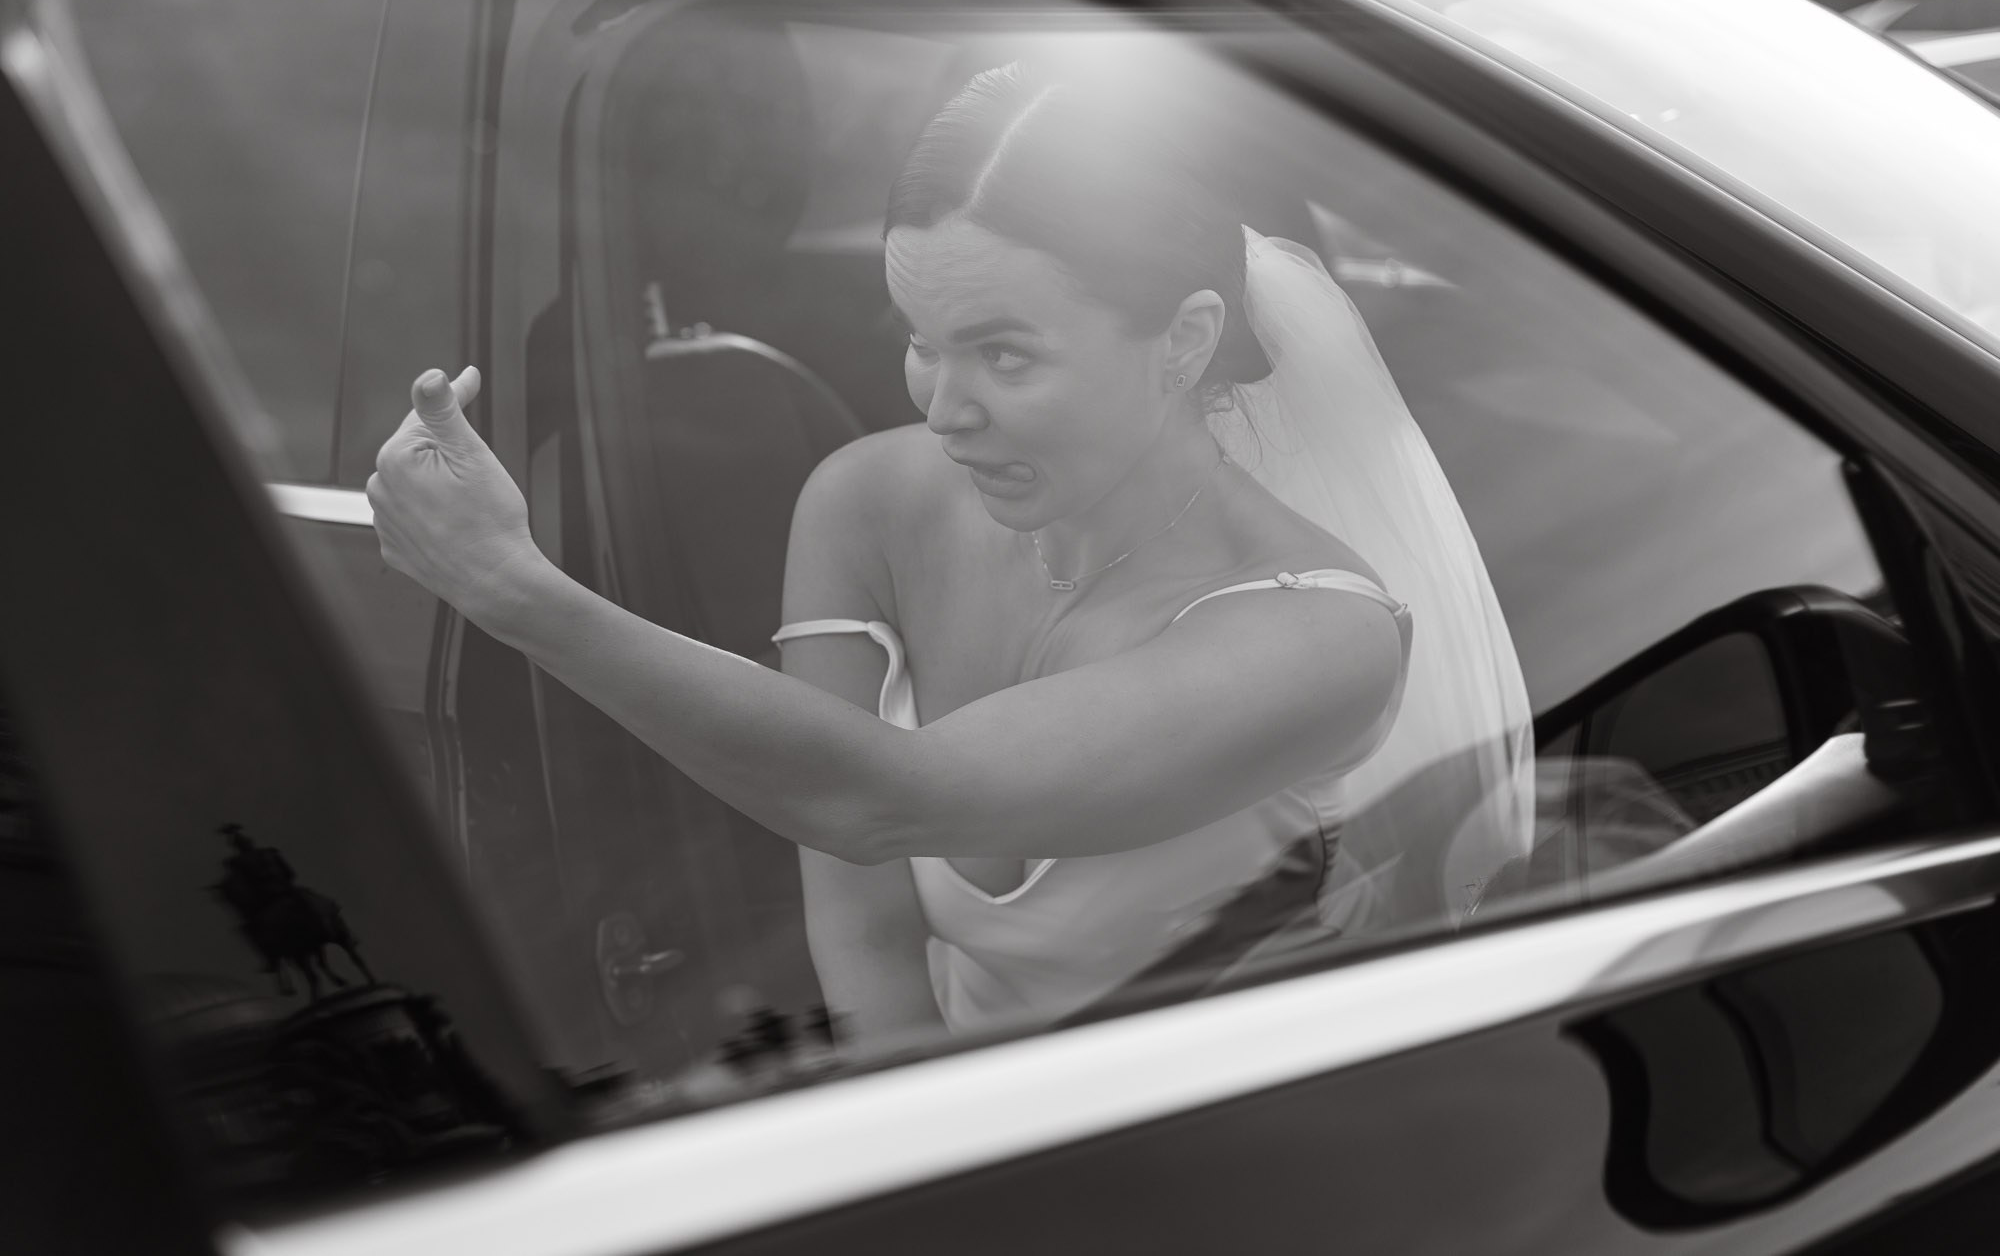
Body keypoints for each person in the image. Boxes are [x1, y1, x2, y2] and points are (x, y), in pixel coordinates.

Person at [367, 62, 1529, 1047]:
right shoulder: (866, 501)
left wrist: (512, 589)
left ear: (1181, 342)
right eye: (921, 342)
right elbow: (864, 927)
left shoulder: (1316, 632)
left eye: (1003, 356)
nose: (941, 407)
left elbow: (876, 803)